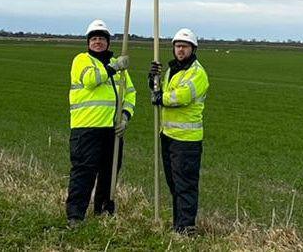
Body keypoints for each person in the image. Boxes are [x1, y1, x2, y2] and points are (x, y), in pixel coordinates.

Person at [66, 18, 136, 225]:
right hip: (86, 128)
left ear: (108, 42)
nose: (98, 42)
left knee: (110, 172)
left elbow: (130, 94)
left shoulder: (118, 68)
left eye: (101, 39)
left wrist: (125, 116)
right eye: (94, 38)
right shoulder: (82, 60)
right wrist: (114, 66)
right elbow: (90, 80)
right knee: (83, 173)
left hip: (111, 130)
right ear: (88, 42)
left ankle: (103, 211)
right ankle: (75, 215)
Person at [149, 27, 209, 235]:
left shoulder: (197, 73)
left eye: (184, 46)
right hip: (168, 135)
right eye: (177, 46)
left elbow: (181, 97)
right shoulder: (172, 70)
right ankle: (179, 225)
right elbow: (163, 92)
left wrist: (160, 98)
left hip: (186, 140)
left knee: (185, 185)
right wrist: (153, 83)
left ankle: (186, 229)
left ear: (193, 49)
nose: (180, 50)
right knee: (174, 183)